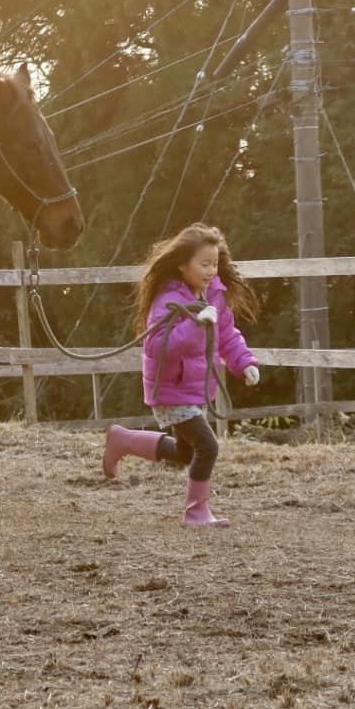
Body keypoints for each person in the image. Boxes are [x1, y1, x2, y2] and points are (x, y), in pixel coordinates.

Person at [101, 223, 262, 527]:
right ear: (182, 264)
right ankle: (196, 512)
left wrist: (244, 363)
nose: (211, 271)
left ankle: (123, 440)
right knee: (208, 447)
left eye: (214, 264)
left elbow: (227, 335)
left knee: (187, 453)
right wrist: (195, 324)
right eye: (204, 264)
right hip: (171, 389)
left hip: (195, 389)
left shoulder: (214, 294)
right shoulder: (167, 299)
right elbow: (160, 346)